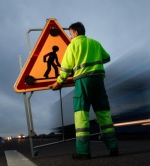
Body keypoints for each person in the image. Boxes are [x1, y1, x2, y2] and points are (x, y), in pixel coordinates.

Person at [49, 22, 118, 160]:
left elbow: (66, 69)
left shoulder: (73, 46)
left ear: (75, 33)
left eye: (70, 34)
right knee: (104, 114)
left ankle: (83, 152)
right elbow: (107, 57)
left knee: (81, 115)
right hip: (98, 81)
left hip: (83, 82)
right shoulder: (95, 43)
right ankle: (113, 147)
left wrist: (58, 82)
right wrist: (95, 60)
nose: (69, 37)